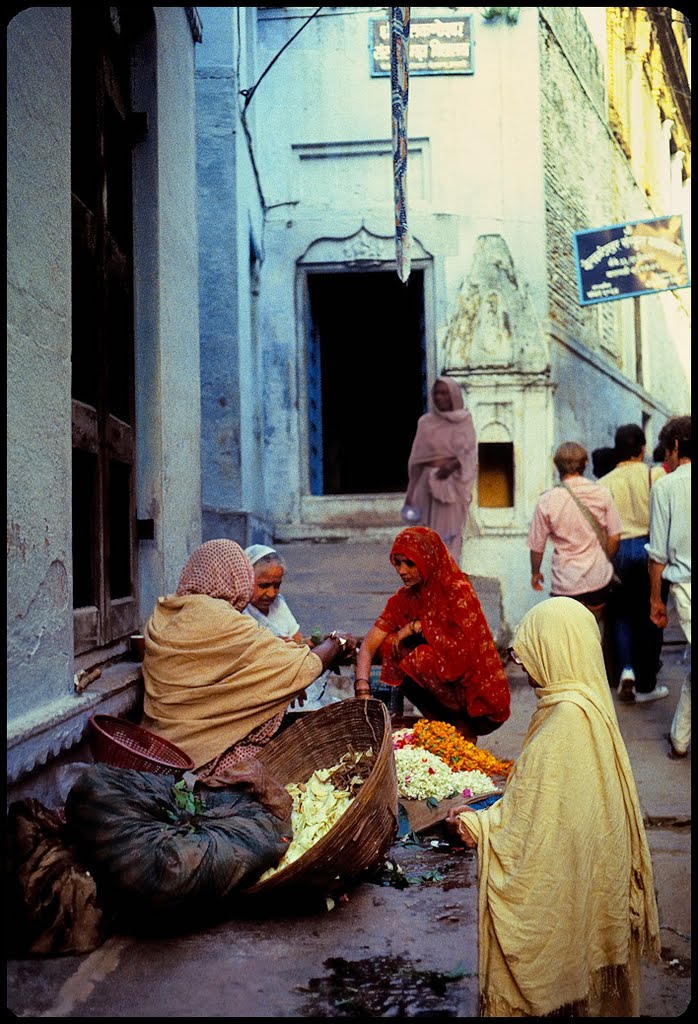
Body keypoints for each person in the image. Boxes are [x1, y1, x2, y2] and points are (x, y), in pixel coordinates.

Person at [446, 597, 660, 1018]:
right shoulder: (587, 705)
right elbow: (548, 809)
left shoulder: (564, 723)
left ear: (555, 651)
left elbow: (529, 832)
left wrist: (477, 824)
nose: (524, 669)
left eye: (530, 656)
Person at [141, 539, 357, 778]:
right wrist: (337, 641)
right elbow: (301, 667)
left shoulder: (164, 612)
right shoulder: (223, 619)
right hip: (202, 756)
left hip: (156, 747)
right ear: (236, 577)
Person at [353, 526, 510, 741]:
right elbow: (369, 646)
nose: (401, 570)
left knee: (419, 658)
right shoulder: (403, 600)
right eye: (397, 563)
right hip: (443, 690)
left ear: (428, 560)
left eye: (409, 563)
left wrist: (418, 627)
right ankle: (444, 726)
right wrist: (362, 688)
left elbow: (463, 652)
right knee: (389, 645)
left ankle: (463, 727)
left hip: (477, 696)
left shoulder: (457, 591)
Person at [598, 424, 668, 704]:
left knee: (622, 615)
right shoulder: (657, 475)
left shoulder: (605, 482)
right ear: (642, 448)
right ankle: (647, 682)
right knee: (652, 613)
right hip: (652, 547)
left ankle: (626, 670)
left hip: (619, 550)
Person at [528, 441, 622, 620]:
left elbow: (536, 546)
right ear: (586, 464)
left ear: (556, 467)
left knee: (568, 634)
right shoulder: (602, 493)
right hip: (598, 579)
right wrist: (604, 559)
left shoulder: (547, 500)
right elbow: (615, 537)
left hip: (566, 582)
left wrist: (536, 572)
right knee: (595, 632)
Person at [647, 415, 691, 759]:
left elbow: (657, 553)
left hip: (686, 588)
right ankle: (679, 737)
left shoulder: (665, 486)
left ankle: (680, 738)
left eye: (667, 450)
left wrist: (655, 600)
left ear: (676, 446)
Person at [403, 375, 477, 563]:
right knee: (428, 538)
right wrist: (411, 493)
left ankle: (447, 578)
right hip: (426, 489)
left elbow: (468, 453)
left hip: (453, 489)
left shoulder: (464, 420)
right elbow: (417, 460)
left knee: (450, 537)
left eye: (444, 393)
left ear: (453, 395)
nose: (439, 397)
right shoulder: (425, 422)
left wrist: (451, 467)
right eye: (436, 393)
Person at [243, 544, 303, 644]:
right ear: (245, 580)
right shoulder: (240, 613)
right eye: (263, 585)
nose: (271, 594)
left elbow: (298, 639)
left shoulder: (278, 603)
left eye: (277, 585)